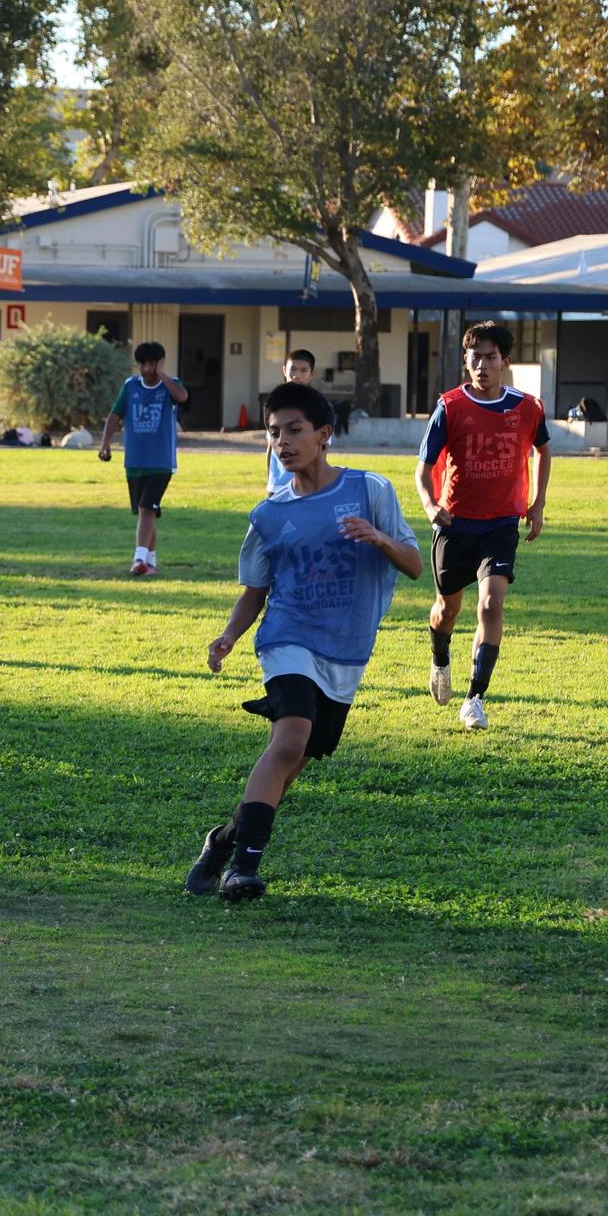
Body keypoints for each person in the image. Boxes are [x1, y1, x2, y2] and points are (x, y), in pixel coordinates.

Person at [184, 381, 421, 903]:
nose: (283, 442)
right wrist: (228, 635)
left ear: (324, 434)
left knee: (293, 764)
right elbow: (256, 591)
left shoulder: (370, 490)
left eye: (294, 430)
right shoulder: (269, 514)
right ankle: (243, 870)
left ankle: (224, 841)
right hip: (286, 637)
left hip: (347, 648)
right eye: (273, 434)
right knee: (288, 739)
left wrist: (379, 538)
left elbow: (415, 565)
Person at [415, 321, 550, 730]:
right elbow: (422, 470)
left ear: (505, 362)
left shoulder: (527, 408)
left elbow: (544, 450)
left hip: (501, 524)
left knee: (491, 604)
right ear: (466, 361)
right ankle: (440, 658)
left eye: (490, 357)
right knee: (446, 610)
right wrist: (430, 505)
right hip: (454, 523)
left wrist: (538, 504)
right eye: (475, 358)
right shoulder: (450, 407)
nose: (482, 365)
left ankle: (474, 698)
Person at [99, 341, 188, 576]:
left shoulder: (171, 386)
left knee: (146, 508)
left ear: (159, 363)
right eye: (142, 364)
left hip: (161, 462)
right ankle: (152, 564)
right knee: (145, 511)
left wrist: (163, 376)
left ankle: (138, 560)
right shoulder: (130, 386)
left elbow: (182, 398)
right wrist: (105, 444)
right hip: (134, 461)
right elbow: (114, 416)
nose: (146, 369)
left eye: (151, 364)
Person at [266, 348, 320, 495]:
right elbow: (271, 447)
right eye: (293, 370)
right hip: (278, 485)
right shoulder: (275, 406)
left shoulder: (318, 407)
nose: (297, 376)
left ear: (312, 374)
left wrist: (316, 481)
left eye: (304, 371)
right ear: (284, 371)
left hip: (305, 485)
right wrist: (270, 482)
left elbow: (322, 449)